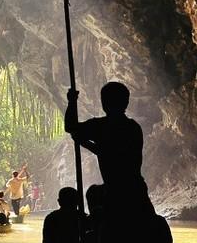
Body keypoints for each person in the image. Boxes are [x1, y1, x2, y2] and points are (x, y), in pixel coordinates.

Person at [64, 81, 153, 217]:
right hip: (136, 189)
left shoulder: (101, 126)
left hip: (115, 192)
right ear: (126, 102)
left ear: (104, 102)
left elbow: (71, 127)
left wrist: (71, 101)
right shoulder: (133, 127)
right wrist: (83, 142)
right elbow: (110, 152)